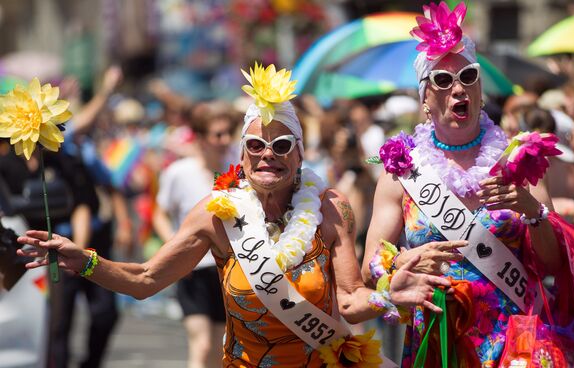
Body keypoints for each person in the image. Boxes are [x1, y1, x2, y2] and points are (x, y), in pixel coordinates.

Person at [17, 63, 452, 367]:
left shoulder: (329, 208)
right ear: (241, 156)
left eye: (282, 146)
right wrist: (85, 260)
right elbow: (146, 281)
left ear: (301, 155)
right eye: (256, 147)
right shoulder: (215, 215)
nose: (269, 156)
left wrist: (387, 295)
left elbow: (352, 301)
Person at [361, 2, 574, 367]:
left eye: (468, 77)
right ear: (424, 98)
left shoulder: (517, 157)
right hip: (438, 335)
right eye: (443, 81)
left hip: (515, 338)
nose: (458, 89)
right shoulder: (402, 168)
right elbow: (373, 263)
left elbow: (552, 263)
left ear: (480, 88)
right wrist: (405, 260)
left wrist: (533, 212)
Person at [152, 101, 238, 367]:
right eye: (217, 134)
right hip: (194, 269)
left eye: (227, 133)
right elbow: (159, 213)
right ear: (201, 138)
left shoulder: (238, 168)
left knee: (220, 346)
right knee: (201, 344)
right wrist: (175, 248)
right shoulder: (179, 172)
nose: (224, 140)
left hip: (229, 269)